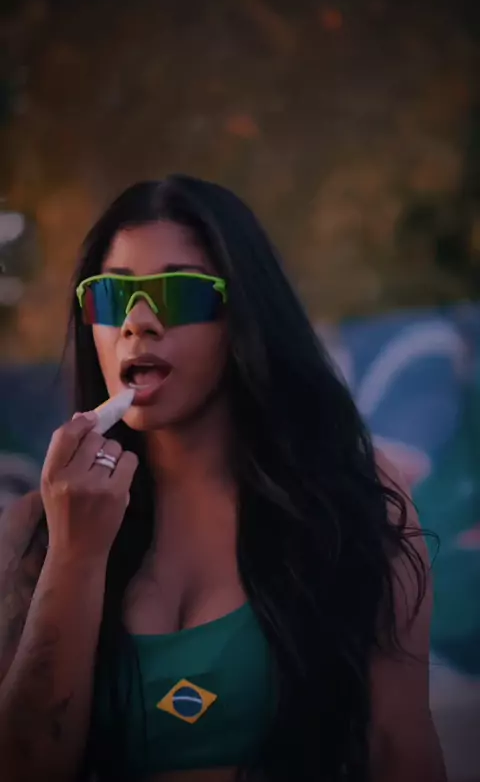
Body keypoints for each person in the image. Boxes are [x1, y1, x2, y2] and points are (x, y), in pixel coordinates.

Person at [0, 177, 446, 782]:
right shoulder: (35, 532)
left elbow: (401, 748)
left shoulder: (348, 502)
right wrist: (75, 555)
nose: (137, 322)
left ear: (244, 317)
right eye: (111, 295)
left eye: (179, 294)